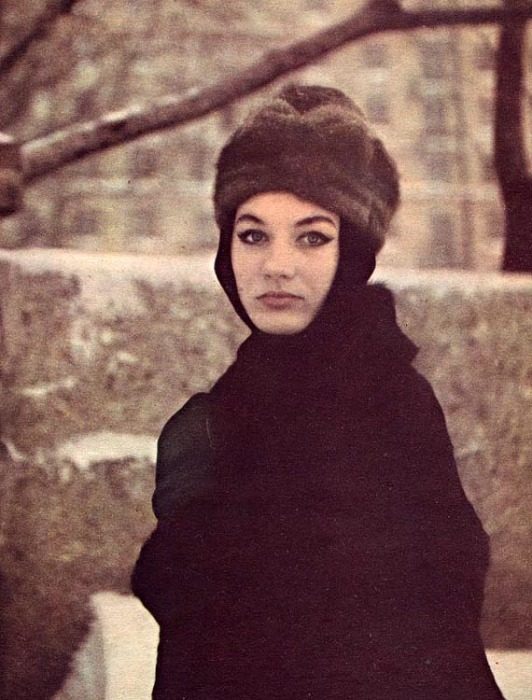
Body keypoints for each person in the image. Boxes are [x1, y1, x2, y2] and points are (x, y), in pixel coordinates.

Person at [131, 85, 504, 699]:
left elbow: (422, 632)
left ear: (350, 252)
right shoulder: (226, 407)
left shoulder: (385, 403)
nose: (277, 265)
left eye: (311, 237)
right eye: (254, 235)